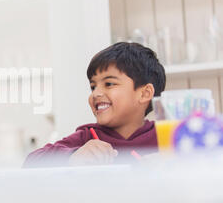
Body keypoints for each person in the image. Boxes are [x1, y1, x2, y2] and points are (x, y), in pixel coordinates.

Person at [23, 42, 166, 167]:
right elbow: (31, 162)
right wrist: (73, 156)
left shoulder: (166, 135)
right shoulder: (86, 137)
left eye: (109, 84)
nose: (95, 94)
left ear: (145, 94)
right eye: (93, 87)